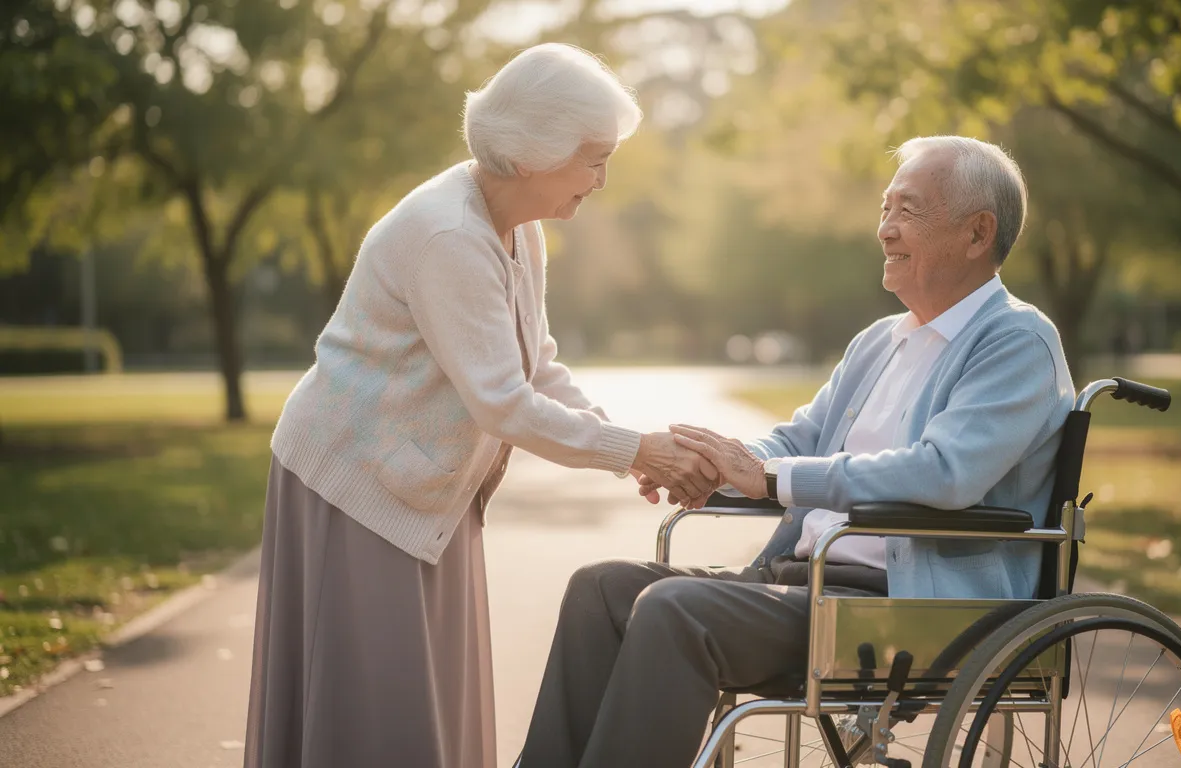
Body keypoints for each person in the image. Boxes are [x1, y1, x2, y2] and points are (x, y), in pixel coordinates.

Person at [517, 136, 1075, 768]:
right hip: (812, 585)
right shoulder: (881, 341)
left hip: (912, 605)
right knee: (599, 590)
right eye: (885, 210)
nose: (884, 231)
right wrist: (711, 461)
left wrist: (771, 476)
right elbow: (794, 443)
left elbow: (945, 474)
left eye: (907, 212)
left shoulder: (1016, 341)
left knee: (676, 610)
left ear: (977, 234)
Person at [244, 44, 717, 768]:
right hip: (356, 484)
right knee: (377, 699)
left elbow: (537, 366)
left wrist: (628, 451)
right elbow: (505, 404)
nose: (601, 179)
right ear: (532, 153)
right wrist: (636, 450)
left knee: (426, 696)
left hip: (423, 487)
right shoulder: (448, 235)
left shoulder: (519, 228)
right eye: (593, 158)